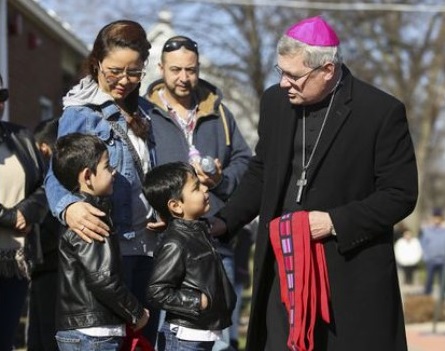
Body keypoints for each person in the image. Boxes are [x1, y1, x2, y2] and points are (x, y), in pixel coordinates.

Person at [214, 16, 418, 351]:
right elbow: (262, 171)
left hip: (348, 272)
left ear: (327, 70)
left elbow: (400, 194)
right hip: (285, 266)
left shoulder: (380, 111)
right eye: (281, 72)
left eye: (293, 76)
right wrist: (225, 220)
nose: (284, 83)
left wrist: (334, 222)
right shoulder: (275, 103)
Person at [44, 20, 160, 345]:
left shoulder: (146, 111)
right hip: (114, 254)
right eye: (115, 71)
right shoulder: (82, 113)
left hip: (149, 248)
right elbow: (56, 174)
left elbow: (149, 170)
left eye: (134, 72)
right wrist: (68, 208)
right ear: (96, 63)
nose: (124, 81)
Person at [145, 35, 251, 350]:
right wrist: (158, 212)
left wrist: (221, 180)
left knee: (218, 336)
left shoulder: (219, 112)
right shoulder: (144, 113)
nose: (184, 77)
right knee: (167, 334)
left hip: (214, 238)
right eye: (175, 69)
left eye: (191, 70)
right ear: (161, 68)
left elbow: (246, 160)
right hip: (164, 244)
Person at [52, 133, 149, 351]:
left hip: (81, 331)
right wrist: (136, 312)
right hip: (95, 335)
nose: (113, 172)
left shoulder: (81, 215)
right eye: (107, 166)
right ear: (87, 176)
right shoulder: (91, 218)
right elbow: (102, 279)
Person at [143, 162, 236, 351]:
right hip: (185, 338)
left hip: (202, 331)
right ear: (176, 206)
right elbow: (156, 291)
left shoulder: (199, 231)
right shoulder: (175, 242)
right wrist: (196, 301)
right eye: (196, 187)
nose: (205, 188)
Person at [0, 73, 48, 350]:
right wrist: (9, 218)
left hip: (15, 262)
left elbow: (46, 184)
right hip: (11, 234)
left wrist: (28, 212)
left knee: (5, 339)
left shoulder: (22, 138)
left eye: (1, 97)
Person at [27, 118, 61, 351]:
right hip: (50, 266)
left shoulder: (49, 179)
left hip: (50, 266)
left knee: (44, 335)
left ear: (43, 148)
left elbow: (48, 227)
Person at [420, 208, 445, 295]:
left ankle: (442, 299)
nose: (436, 220)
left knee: (443, 281)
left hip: (443, 260)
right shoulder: (427, 230)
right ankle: (427, 297)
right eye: (435, 218)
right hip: (431, 260)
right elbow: (423, 244)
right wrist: (426, 256)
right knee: (429, 280)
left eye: (438, 218)